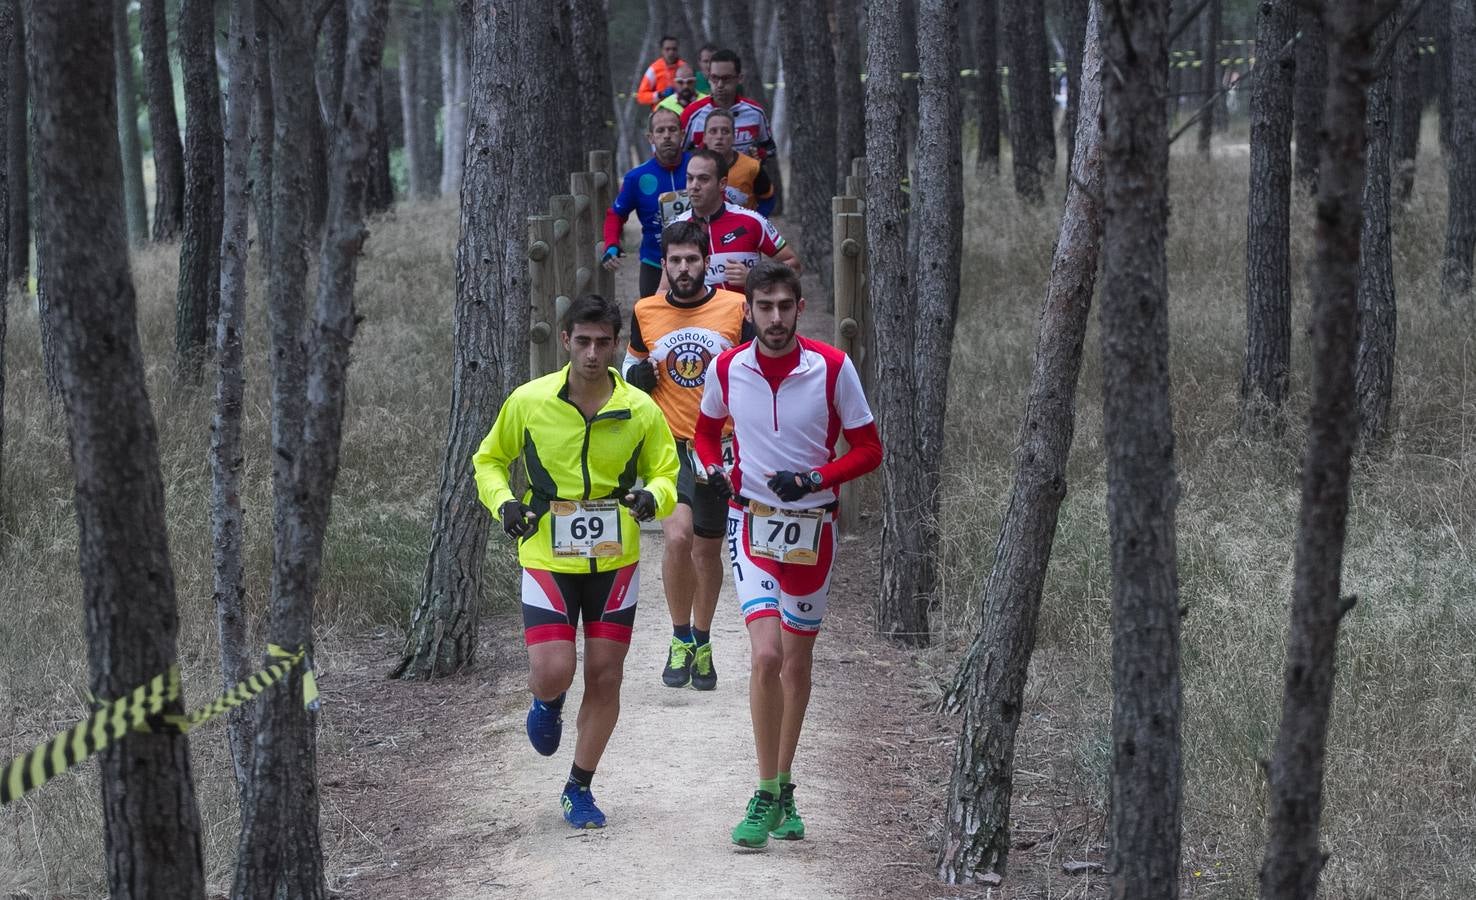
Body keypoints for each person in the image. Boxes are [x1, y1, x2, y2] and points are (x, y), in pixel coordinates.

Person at [692, 260, 882, 848]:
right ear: (747, 310)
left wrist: (817, 477)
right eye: (764, 307)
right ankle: (765, 791)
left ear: (800, 308)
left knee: (796, 665)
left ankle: (786, 782)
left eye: (784, 307)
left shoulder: (832, 367)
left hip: (813, 532)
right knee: (765, 656)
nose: (774, 319)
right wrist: (714, 469)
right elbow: (705, 432)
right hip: (751, 525)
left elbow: (870, 449)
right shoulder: (727, 366)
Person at [473, 294, 680, 830]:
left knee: (605, 676)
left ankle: (579, 787)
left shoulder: (640, 408)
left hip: (615, 559)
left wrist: (651, 499)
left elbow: (666, 473)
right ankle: (548, 702)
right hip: (546, 553)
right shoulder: (530, 400)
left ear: (616, 345)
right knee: (553, 670)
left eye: (602, 342)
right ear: (566, 341)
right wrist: (505, 503)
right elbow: (489, 460)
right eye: (582, 341)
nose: (592, 353)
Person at [623, 221, 753, 692]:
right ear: (665, 262)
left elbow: (756, 368)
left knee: (706, 550)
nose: (683, 268)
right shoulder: (645, 310)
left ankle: (703, 639)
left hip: (717, 444)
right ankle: (679, 638)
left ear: (707, 260)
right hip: (667, 445)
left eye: (692, 260)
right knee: (677, 537)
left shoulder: (735, 308)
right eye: (674, 260)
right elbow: (630, 366)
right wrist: (638, 380)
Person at [673, 149, 800, 294]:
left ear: (722, 184)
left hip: (745, 314)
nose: (694, 186)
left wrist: (755, 279)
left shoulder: (752, 220)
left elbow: (794, 265)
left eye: (703, 179)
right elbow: (664, 288)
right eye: (690, 178)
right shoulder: (676, 226)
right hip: (698, 316)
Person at [603, 107, 690, 298]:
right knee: (652, 324)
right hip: (654, 262)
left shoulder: (699, 166)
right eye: (660, 131)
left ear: (682, 134)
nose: (667, 135)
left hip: (697, 260)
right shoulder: (637, 177)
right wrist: (612, 244)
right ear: (650, 138)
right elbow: (616, 215)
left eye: (672, 130)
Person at [680, 49, 776, 161]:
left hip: (744, 177)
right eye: (715, 78)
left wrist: (761, 154)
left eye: (726, 79)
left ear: (739, 79)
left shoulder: (755, 112)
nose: (720, 85)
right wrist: (702, 153)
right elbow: (678, 154)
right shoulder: (692, 114)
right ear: (709, 78)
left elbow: (771, 148)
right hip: (706, 177)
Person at [703, 107, 775, 216]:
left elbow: (768, 199)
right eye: (713, 131)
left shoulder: (752, 167)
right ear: (704, 137)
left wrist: (755, 222)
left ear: (733, 137)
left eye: (725, 131)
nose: (719, 137)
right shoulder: (693, 167)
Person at [636, 35, 686, 108]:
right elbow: (641, 96)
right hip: (660, 113)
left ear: (678, 50)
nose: (671, 52)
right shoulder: (654, 69)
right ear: (662, 50)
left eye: (674, 49)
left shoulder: (684, 67)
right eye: (667, 49)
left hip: (682, 111)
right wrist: (660, 95)